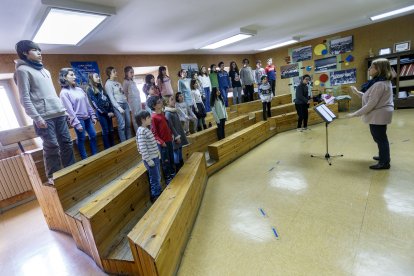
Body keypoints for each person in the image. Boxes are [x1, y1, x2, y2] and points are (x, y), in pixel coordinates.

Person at [14, 40, 75, 181]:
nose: (39, 53)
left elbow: (52, 94)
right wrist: (37, 117)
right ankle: (53, 178)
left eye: (39, 50)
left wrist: (63, 111)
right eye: (35, 50)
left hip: (59, 113)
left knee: (67, 143)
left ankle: (71, 170)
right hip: (44, 117)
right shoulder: (22, 71)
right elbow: (24, 99)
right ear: (25, 53)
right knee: (52, 147)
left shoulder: (45, 70)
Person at [347, 58, 394, 170]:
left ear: (379, 69)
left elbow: (370, 104)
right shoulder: (380, 81)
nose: (369, 69)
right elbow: (369, 97)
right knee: (380, 137)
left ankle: (384, 162)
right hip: (380, 114)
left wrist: (355, 114)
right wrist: (357, 92)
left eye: (372, 67)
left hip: (379, 114)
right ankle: (383, 156)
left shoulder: (379, 84)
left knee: (380, 138)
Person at [59, 68, 98, 160]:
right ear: (64, 77)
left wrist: (92, 115)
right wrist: (76, 123)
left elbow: (87, 103)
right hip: (78, 119)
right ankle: (85, 158)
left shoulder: (79, 89)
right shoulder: (64, 93)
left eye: (74, 75)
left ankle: (95, 155)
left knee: (93, 135)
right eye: (71, 75)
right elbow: (69, 111)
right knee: (81, 139)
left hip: (87, 118)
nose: (74, 77)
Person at [146, 96, 175, 184]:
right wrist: (161, 142)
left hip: (169, 140)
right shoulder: (153, 117)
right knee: (165, 160)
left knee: (171, 157)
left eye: (160, 101)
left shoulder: (162, 114)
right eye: (158, 102)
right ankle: (168, 177)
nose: (161, 102)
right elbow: (154, 134)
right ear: (154, 106)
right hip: (163, 143)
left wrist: (171, 134)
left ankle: (173, 173)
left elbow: (167, 126)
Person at [135, 110, 162, 202]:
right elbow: (142, 147)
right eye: (148, 117)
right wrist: (148, 160)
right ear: (143, 120)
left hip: (154, 157)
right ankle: (156, 196)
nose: (150, 119)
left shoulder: (145, 130)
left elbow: (148, 143)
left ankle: (158, 192)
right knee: (155, 179)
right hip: (151, 159)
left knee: (157, 177)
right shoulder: (142, 131)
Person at [87, 73, 115, 149]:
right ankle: (108, 149)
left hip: (109, 112)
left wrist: (111, 110)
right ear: (91, 79)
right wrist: (106, 113)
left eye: (98, 76)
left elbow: (108, 99)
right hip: (102, 114)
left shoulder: (100, 87)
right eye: (96, 77)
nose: (98, 78)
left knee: (111, 130)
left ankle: (114, 146)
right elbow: (95, 104)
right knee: (105, 131)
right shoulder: (90, 89)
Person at [105, 66, 132, 142]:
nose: (116, 72)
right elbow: (111, 97)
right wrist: (118, 108)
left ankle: (129, 141)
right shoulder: (108, 84)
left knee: (128, 123)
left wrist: (128, 105)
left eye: (115, 71)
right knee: (122, 125)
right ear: (109, 73)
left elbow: (123, 95)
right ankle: (124, 143)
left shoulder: (118, 83)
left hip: (125, 104)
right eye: (114, 71)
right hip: (118, 105)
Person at [164, 96, 189, 172]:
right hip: (175, 136)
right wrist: (176, 137)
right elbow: (171, 127)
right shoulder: (168, 113)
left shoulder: (174, 111)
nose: (174, 101)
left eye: (174, 99)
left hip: (179, 133)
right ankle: (178, 168)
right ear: (167, 102)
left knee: (180, 149)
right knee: (176, 151)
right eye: (171, 100)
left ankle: (181, 164)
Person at [123, 66, 142, 133]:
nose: (132, 74)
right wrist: (128, 106)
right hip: (132, 104)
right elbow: (125, 95)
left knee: (140, 117)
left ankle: (141, 131)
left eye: (133, 72)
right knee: (135, 118)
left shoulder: (132, 81)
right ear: (126, 73)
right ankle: (138, 133)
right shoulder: (125, 82)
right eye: (131, 72)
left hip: (138, 102)